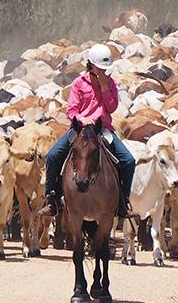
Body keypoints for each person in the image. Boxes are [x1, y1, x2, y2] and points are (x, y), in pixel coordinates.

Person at [41, 44, 136, 219]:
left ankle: (123, 202)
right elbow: (71, 110)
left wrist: (105, 87)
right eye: (100, 68)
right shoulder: (79, 83)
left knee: (129, 161)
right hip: (80, 130)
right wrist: (81, 118)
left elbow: (112, 107)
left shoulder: (111, 83)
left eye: (105, 69)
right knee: (53, 156)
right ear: (91, 65)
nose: (103, 72)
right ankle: (51, 199)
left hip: (102, 129)